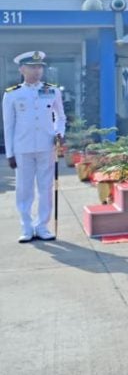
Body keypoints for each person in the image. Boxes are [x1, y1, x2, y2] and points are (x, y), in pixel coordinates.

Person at [3, 51, 65, 242]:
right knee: (24, 189)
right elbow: (9, 125)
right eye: (32, 67)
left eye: (39, 67)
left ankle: (42, 226)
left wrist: (59, 133)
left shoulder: (52, 90)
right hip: (22, 148)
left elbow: (60, 117)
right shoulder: (13, 94)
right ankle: (27, 227)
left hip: (46, 146)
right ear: (22, 69)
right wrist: (10, 153)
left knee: (46, 188)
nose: (37, 71)